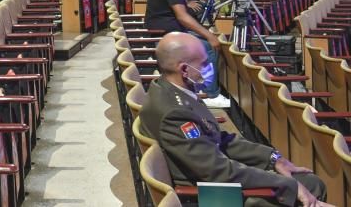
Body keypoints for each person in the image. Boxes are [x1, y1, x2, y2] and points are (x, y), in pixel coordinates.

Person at [140, 32, 328, 207]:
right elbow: (217, 171)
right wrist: (286, 183)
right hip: (207, 195)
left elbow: (220, 139)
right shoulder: (174, 112)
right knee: (310, 185)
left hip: (212, 178)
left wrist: (273, 158)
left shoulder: (171, 90)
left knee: (306, 182)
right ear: (184, 69)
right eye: (204, 64)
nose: (210, 68)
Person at [143, 0, 228, 108]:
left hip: (168, 32)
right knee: (208, 48)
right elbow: (182, 16)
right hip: (166, 36)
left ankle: (199, 88)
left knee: (203, 41)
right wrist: (209, 35)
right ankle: (210, 95)